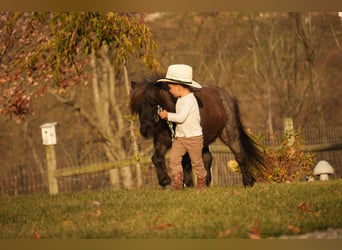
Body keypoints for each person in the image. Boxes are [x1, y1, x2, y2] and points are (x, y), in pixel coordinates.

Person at [157, 64, 207, 190]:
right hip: (180, 137)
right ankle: (177, 182)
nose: (169, 90)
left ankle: (201, 181)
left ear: (179, 87)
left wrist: (167, 115)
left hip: (193, 137)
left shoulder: (189, 100)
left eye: (171, 88)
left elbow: (181, 117)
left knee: (196, 162)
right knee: (174, 159)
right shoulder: (180, 99)